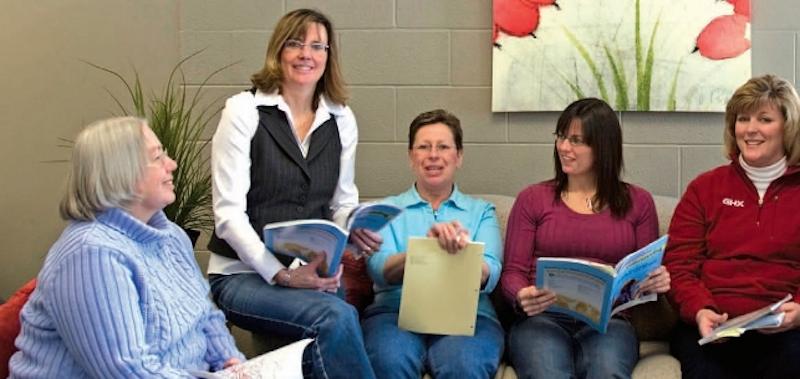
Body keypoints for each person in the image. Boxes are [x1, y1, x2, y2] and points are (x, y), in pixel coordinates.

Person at [205, 8, 379, 379]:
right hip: (240, 276)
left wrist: (354, 226)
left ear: (328, 56)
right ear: (278, 51)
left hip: (310, 273)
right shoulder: (243, 111)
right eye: (296, 44)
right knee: (336, 316)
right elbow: (228, 216)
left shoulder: (341, 119)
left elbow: (342, 201)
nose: (307, 54)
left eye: (318, 46)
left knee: (336, 321)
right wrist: (280, 275)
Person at [8, 117, 244, 378]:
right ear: (121, 171)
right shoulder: (91, 255)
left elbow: (205, 317)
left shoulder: (172, 236)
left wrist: (229, 363)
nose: (172, 164)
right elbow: (127, 370)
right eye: (157, 157)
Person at [500, 98, 671, 379]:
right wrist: (521, 295)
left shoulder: (638, 202)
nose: (564, 147)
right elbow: (513, 272)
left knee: (607, 372)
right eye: (562, 137)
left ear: (602, 147)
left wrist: (655, 282)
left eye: (577, 140)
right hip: (542, 319)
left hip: (610, 323)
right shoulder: (533, 199)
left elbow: (644, 277)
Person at [664, 74, 800, 379]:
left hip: (783, 328)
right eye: (743, 119)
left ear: (788, 127)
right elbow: (679, 264)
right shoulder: (705, 188)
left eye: (765, 119)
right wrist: (700, 309)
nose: (751, 129)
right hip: (713, 326)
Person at [361, 109, 504, 379]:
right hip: (395, 314)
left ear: (458, 156)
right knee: (390, 360)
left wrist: (462, 255)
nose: (433, 155)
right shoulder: (384, 210)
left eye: (443, 147)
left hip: (468, 317)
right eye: (423, 147)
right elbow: (379, 269)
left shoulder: (482, 211)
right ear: (410, 156)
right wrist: (425, 251)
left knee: (463, 364)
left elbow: (492, 272)